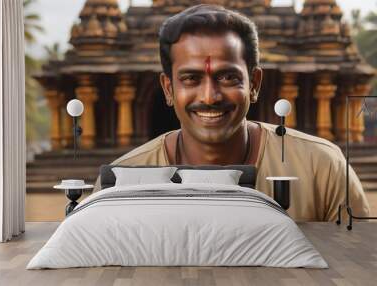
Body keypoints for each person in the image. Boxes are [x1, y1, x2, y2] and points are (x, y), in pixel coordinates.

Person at [93, 4, 370, 222]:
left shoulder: (322, 170)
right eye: (191, 78)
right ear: (168, 89)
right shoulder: (122, 181)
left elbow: (360, 263)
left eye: (228, 77)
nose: (209, 96)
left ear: (255, 84)